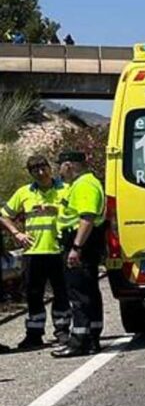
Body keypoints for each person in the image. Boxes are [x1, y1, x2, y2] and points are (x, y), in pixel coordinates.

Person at [0, 155, 71, 349]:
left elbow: (76, 214)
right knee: (33, 294)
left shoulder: (65, 189)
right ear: (30, 173)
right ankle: (34, 334)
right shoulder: (24, 192)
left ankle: (62, 331)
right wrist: (16, 233)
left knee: (61, 293)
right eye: (35, 170)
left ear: (50, 168)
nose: (41, 173)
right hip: (33, 252)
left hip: (59, 250)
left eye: (43, 168)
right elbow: (4, 215)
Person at [51, 151, 106, 358]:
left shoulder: (84, 185)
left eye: (60, 166)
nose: (59, 171)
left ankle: (79, 342)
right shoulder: (83, 183)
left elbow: (87, 217)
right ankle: (91, 339)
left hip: (80, 244)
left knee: (79, 295)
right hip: (83, 244)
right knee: (89, 292)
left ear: (68, 165)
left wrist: (76, 248)